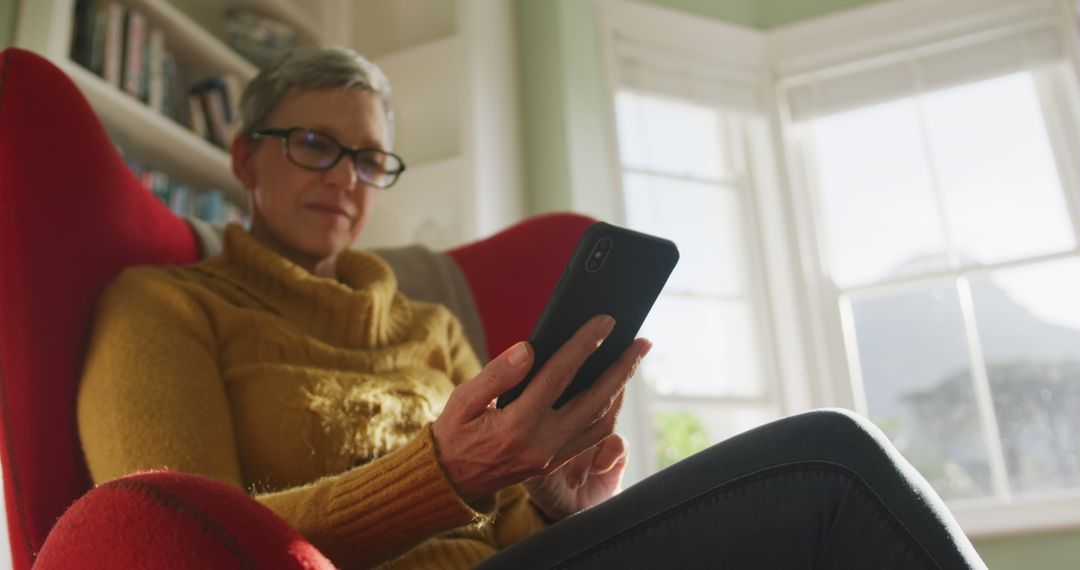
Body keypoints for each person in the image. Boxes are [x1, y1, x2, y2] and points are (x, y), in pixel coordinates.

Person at [76, 46, 986, 569]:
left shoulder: (429, 327)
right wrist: (442, 475)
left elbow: (501, 516)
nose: (346, 180)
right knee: (828, 465)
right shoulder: (165, 307)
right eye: (316, 145)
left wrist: (551, 503)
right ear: (245, 159)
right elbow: (178, 543)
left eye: (369, 159)